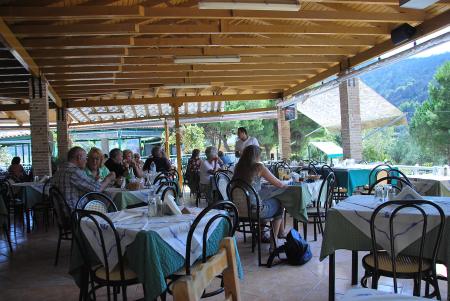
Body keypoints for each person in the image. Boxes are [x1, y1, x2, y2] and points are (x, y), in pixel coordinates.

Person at [232, 145, 286, 245]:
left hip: (238, 211)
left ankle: (260, 235)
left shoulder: (237, 168)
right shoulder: (259, 167)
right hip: (255, 211)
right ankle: (273, 244)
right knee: (279, 204)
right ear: (256, 156)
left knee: (263, 202)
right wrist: (289, 183)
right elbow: (279, 184)